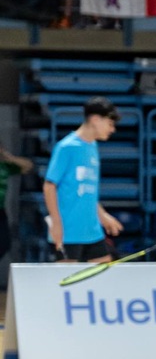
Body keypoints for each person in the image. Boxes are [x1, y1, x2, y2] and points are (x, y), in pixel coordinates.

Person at [44, 96, 124, 262]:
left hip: (92, 232)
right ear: (95, 119)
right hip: (69, 232)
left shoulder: (93, 147)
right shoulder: (67, 147)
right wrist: (56, 224)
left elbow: (87, 191)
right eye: (110, 123)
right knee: (67, 283)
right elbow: (49, 186)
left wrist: (103, 216)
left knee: (103, 275)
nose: (113, 129)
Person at [0, 142, 33, 262]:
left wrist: (8, 157)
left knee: (4, 244)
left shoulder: (4, 166)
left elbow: (27, 166)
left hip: (1, 211)